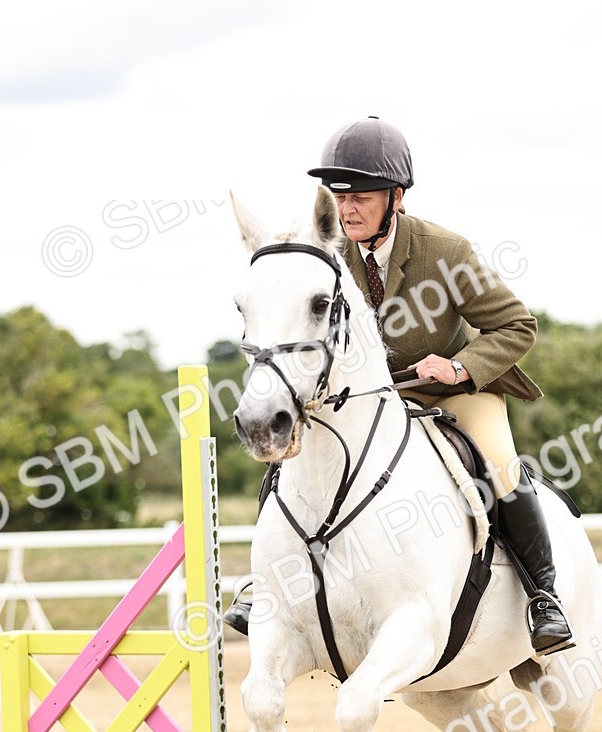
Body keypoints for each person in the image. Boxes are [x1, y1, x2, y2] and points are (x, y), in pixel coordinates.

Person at [225, 115, 574, 657]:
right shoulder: (325, 253)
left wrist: (459, 368)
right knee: (291, 457)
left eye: (362, 194)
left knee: (500, 464)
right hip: (365, 397)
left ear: (397, 196)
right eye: (341, 195)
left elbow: (517, 325)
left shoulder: (446, 251)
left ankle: (543, 596)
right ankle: (266, 586)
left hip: (455, 390)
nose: (349, 208)